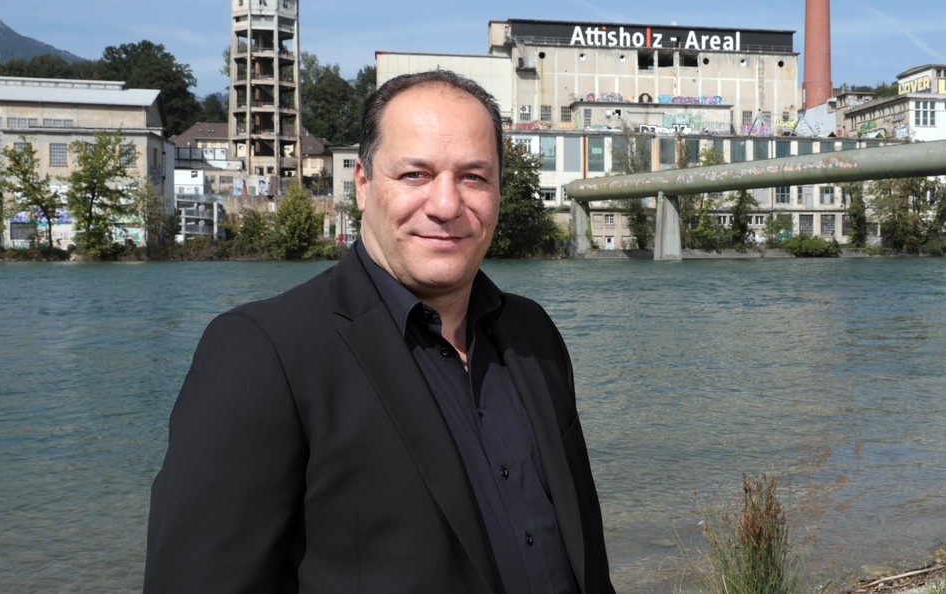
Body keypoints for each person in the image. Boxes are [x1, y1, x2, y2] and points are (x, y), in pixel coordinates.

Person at [145, 71, 614, 593]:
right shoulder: (263, 353)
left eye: (474, 177)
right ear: (364, 185)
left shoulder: (534, 334)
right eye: (415, 174)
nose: (446, 204)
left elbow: (583, 545)